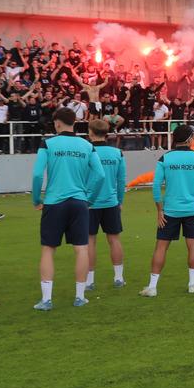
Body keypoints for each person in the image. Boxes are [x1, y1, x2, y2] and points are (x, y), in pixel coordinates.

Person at [30, 106, 110, 311]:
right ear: (74, 122)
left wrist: (36, 198)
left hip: (54, 202)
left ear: (57, 122)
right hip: (79, 202)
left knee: (48, 249)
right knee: (81, 248)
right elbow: (100, 175)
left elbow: (38, 175)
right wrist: (89, 199)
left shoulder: (47, 143)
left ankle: (47, 300)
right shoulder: (87, 145)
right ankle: (80, 296)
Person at [141, 124, 194, 296]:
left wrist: (159, 210)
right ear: (188, 139)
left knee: (161, 247)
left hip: (170, 211)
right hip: (192, 210)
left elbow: (156, 186)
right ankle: (192, 284)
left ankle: (152, 287)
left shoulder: (165, 158)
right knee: (193, 246)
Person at [85, 117, 127, 291]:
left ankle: (89, 281)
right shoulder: (117, 153)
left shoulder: (87, 152)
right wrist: (120, 201)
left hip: (89, 203)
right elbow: (120, 179)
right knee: (114, 240)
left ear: (91, 133)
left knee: (89, 242)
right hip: (111, 202)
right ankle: (118, 278)